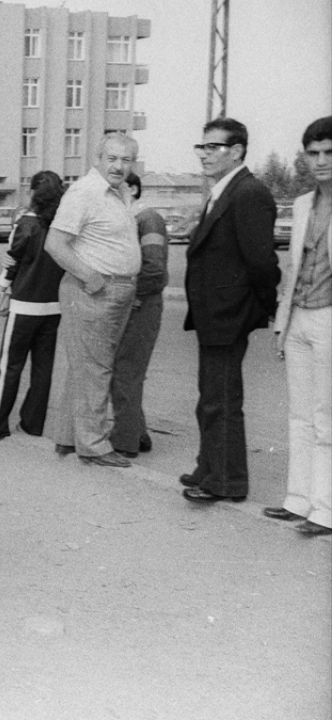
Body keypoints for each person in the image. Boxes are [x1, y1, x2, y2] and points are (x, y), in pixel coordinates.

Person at [180, 118, 282, 502]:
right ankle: (208, 467)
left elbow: (261, 262)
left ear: (237, 151)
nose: (205, 154)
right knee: (210, 395)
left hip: (228, 312)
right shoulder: (224, 190)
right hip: (214, 313)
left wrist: (264, 307)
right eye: (202, 147)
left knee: (221, 399)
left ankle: (226, 482)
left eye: (214, 148)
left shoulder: (248, 192)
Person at [43, 134, 142, 467]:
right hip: (93, 290)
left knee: (85, 367)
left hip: (114, 291)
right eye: (112, 158)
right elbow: (55, 244)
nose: (119, 166)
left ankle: (69, 437)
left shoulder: (119, 193)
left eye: (126, 160)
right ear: (98, 157)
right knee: (96, 369)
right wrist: (91, 276)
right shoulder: (84, 192)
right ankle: (95, 445)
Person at [269, 115, 332, 535]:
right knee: (298, 414)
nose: (321, 161)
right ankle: (299, 499)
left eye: (329, 153)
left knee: (326, 415)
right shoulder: (305, 203)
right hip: (299, 317)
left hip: (329, 317)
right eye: (313, 153)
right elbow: (293, 267)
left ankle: (326, 508)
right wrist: (282, 322)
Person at [0, 171, 66, 445]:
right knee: (43, 368)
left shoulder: (26, 223)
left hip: (25, 304)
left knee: (10, 367)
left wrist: (2, 286)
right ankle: (32, 424)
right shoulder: (62, 224)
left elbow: (12, 260)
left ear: (34, 193)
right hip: (54, 305)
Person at [110, 173, 169, 458]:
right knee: (125, 372)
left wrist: (130, 298)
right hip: (133, 304)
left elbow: (154, 269)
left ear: (131, 189)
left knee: (125, 373)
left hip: (141, 305)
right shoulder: (131, 220)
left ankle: (125, 442)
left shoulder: (148, 219)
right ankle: (137, 433)